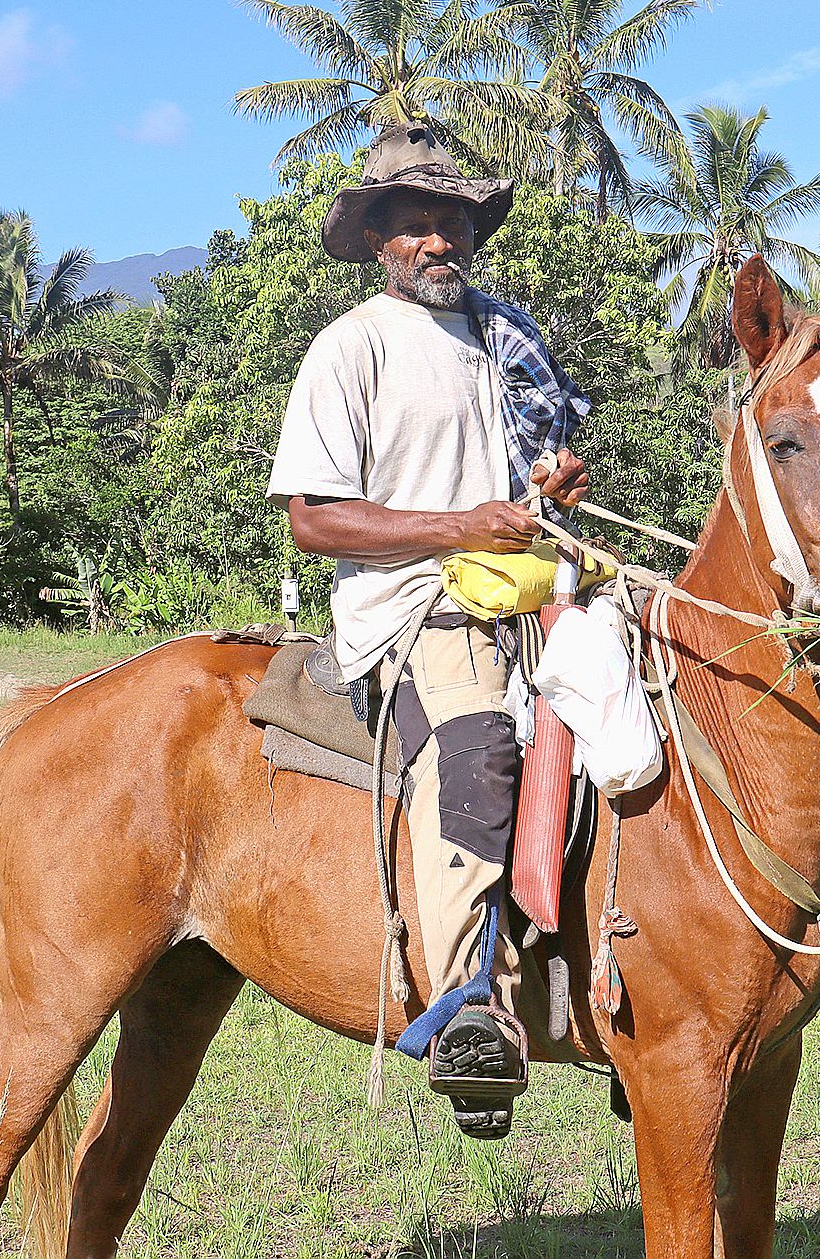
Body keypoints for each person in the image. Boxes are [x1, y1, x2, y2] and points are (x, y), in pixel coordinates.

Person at [267, 123, 590, 1139]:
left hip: (526, 585)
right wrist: (461, 525)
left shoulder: (505, 336)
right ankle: (467, 1014)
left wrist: (551, 488)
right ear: (378, 244)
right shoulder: (351, 346)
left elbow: (525, 485)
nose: (440, 243)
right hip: (417, 612)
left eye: (451, 224)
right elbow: (313, 518)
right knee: (480, 747)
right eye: (417, 227)